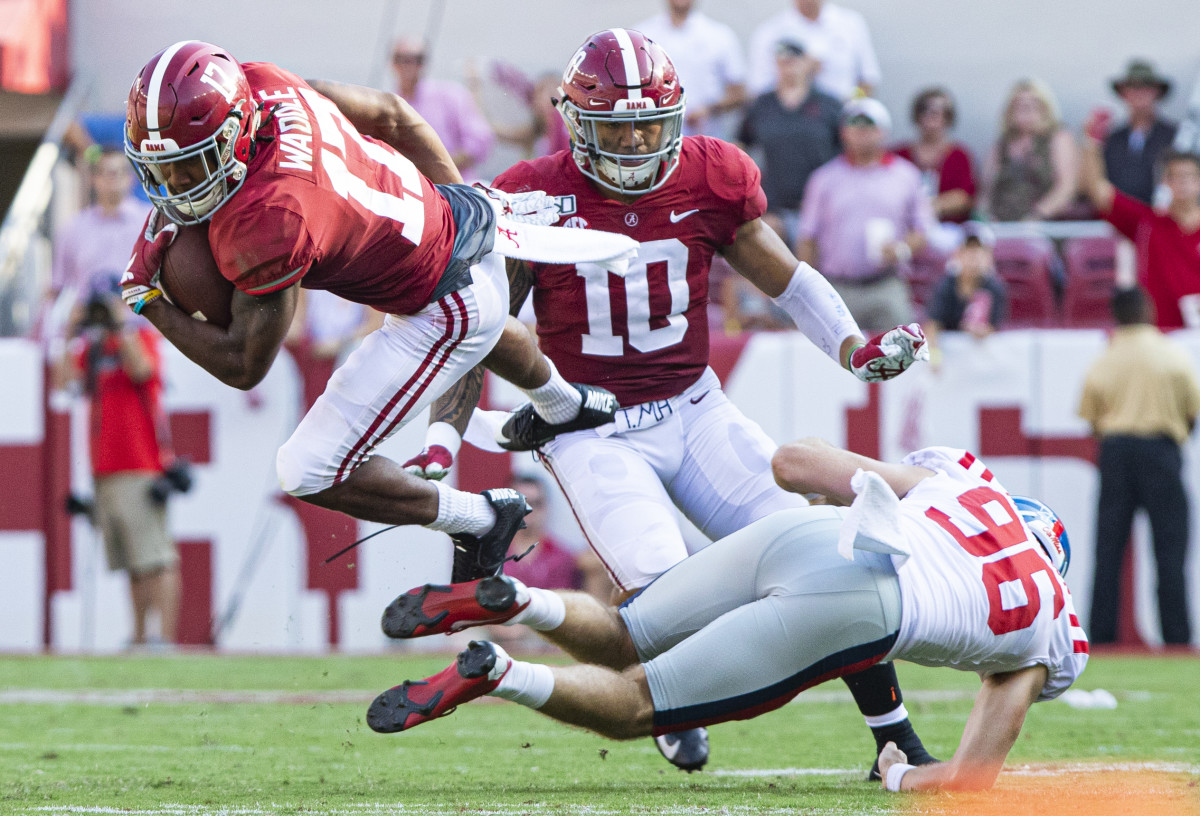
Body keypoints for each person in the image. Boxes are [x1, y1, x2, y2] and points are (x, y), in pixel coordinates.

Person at [401, 29, 932, 776]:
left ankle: (892, 736)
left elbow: (786, 277)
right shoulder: (531, 194)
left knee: (824, 559)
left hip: (695, 405)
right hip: (592, 428)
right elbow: (480, 331)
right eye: (619, 129)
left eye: (652, 124)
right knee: (664, 599)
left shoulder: (711, 174)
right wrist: (441, 447)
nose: (639, 144)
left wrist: (854, 346)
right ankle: (671, 703)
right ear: (577, 124)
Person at [119, 40, 628, 587]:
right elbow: (394, 112)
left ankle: (481, 520)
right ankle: (562, 402)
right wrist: (460, 203)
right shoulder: (266, 82)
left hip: (442, 305)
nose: (175, 187)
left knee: (306, 468)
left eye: (191, 164)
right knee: (487, 324)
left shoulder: (272, 219)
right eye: (161, 169)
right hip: (459, 215)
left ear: (236, 131)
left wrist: (148, 300)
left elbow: (244, 365)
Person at [369, 438, 1087, 794]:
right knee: (637, 705)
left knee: (624, 637)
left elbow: (794, 464)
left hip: (807, 536)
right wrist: (900, 774)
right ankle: (499, 669)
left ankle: (522, 599)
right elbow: (967, 781)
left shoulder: (961, 492)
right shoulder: (1048, 622)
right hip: (860, 605)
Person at [55, 282, 181, 648]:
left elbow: (142, 370)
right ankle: (141, 636)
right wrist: (69, 333)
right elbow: (64, 382)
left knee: (157, 555)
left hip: (141, 463)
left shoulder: (141, 340)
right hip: (104, 467)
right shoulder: (92, 350)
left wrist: (120, 324)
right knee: (131, 559)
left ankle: (166, 638)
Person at [1078, 286, 1200, 646]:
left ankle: (1101, 640)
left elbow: (1092, 420)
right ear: (1147, 310)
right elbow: (1192, 412)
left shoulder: (1105, 360)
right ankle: (1177, 641)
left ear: (1115, 315)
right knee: (1170, 553)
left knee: (1108, 552)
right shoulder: (1172, 355)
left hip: (1116, 453)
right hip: (1162, 451)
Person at [796, 97, 937, 334]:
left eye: (868, 126)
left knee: (899, 352)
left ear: (883, 131)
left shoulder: (906, 175)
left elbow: (923, 229)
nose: (861, 132)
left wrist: (901, 249)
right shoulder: (824, 179)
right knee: (830, 359)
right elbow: (807, 237)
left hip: (886, 284)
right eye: (855, 126)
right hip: (837, 287)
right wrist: (809, 293)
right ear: (843, 132)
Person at [1080, 110, 1200, 330]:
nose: (1183, 183)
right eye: (1175, 176)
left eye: (1190, 176)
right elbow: (1099, 192)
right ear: (1165, 182)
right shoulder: (1146, 223)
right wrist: (1091, 142)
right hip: (1158, 336)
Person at [737, 36, 841, 245]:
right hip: (775, 208)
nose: (789, 67)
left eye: (794, 60)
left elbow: (846, 151)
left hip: (822, 209)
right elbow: (740, 147)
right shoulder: (762, 105)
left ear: (807, 63)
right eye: (783, 61)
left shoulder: (828, 104)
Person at [48, 148, 150, 324]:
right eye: (106, 173)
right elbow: (56, 289)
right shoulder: (73, 228)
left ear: (130, 178)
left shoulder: (150, 221)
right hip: (88, 328)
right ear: (94, 179)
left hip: (141, 328)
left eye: (118, 172)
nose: (112, 180)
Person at [636, 0, 748, 137]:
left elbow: (739, 93)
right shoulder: (642, 36)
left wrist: (709, 110)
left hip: (706, 140)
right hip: (656, 140)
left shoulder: (720, 35)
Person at [390, 37, 494, 181]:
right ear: (392, 63)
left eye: (417, 59)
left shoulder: (452, 95)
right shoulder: (389, 105)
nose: (410, 65)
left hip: (456, 188)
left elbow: (480, 141)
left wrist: (437, 167)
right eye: (402, 59)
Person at [981, 79, 1078, 222]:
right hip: (1000, 226)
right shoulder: (1001, 145)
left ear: (1045, 108)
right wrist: (984, 218)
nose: (1025, 108)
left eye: (1033, 103)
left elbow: (1066, 187)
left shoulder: (1058, 137)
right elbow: (986, 191)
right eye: (1019, 104)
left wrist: (1036, 217)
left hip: (1044, 227)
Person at [746, 0, 881, 101]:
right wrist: (797, 75)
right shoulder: (770, 32)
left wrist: (850, 103)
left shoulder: (851, 24)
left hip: (841, 122)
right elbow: (759, 90)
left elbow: (868, 81)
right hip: (791, 123)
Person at [922, 224, 1008, 370]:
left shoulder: (994, 288)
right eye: (969, 250)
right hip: (948, 362)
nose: (974, 256)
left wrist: (981, 331)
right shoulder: (945, 286)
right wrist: (935, 358)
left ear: (988, 256)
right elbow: (932, 326)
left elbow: (994, 328)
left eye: (979, 251)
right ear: (958, 254)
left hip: (980, 365)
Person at [892, 88, 976, 224]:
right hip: (906, 229)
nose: (932, 116)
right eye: (926, 110)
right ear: (917, 115)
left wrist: (923, 208)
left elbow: (964, 198)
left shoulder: (959, 156)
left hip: (949, 228)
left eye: (939, 111)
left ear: (948, 117)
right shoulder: (899, 155)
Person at [1103, 60, 1178, 206]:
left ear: (1157, 92)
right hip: (1120, 216)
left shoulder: (1175, 136)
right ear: (1124, 93)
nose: (1139, 93)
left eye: (1146, 87)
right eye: (1133, 87)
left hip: (1161, 216)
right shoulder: (1112, 138)